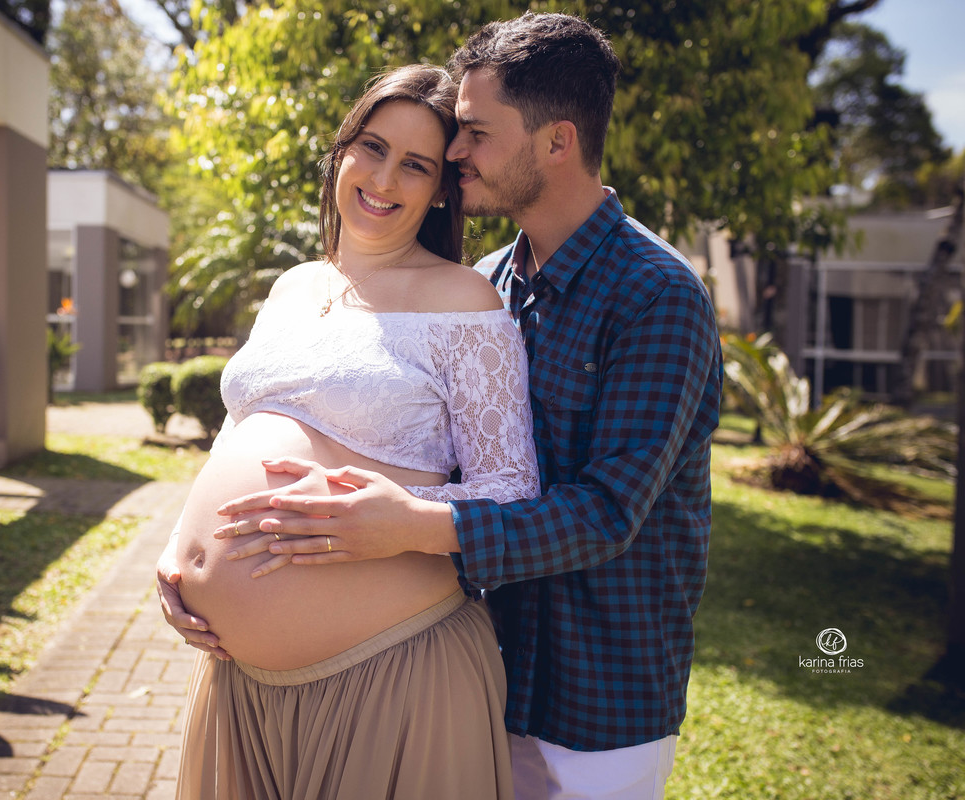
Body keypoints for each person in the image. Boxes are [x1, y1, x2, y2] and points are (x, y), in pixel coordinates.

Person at [209, 14, 723, 800]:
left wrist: (413, 523)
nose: (455, 153)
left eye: (476, 134)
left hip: (596, 702)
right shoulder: (488, 281)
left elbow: (607, 512)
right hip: (474, 667)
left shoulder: (656, 294)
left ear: (557, 142)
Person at [155, 63, 539, 800]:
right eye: (373, 147)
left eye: (416, 165)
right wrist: (180, 552)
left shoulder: (463, 299)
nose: (384, 179)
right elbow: (237, 430)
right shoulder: (292, 286)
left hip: (390, 678)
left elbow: (514, 490)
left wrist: (404, 519)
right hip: (240, 688)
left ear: (441, 189)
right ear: (341, 152)